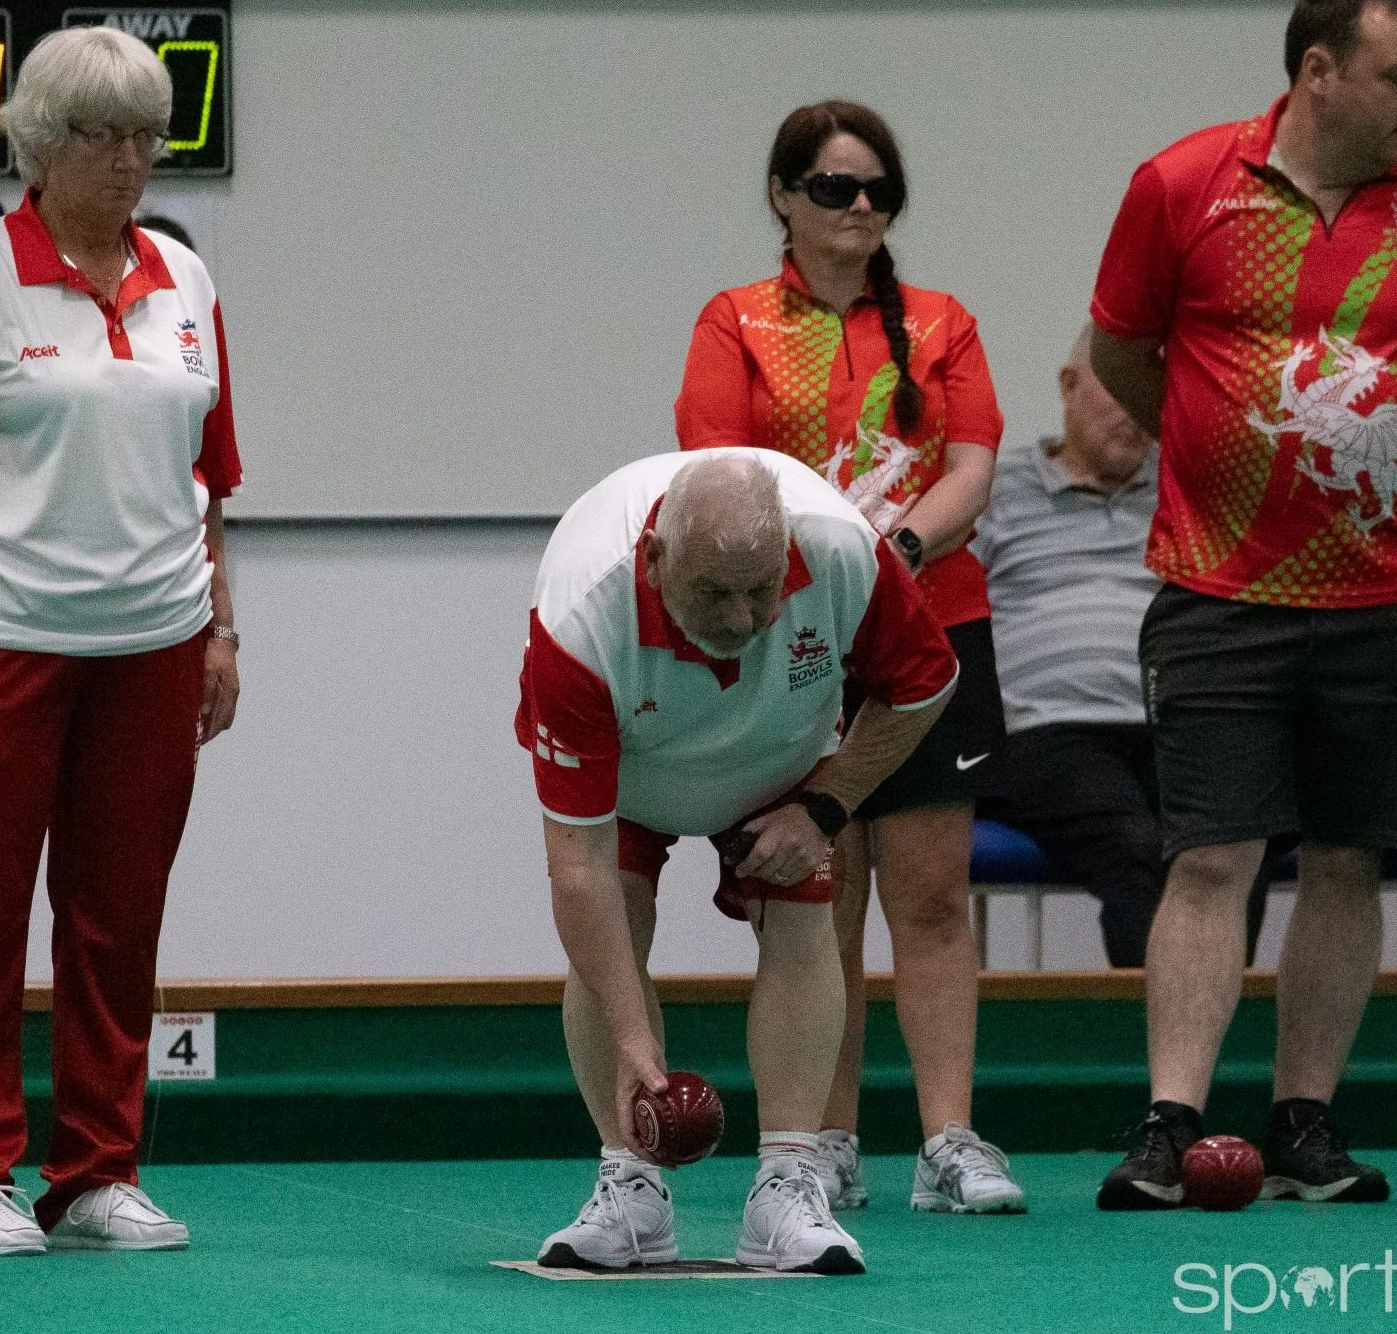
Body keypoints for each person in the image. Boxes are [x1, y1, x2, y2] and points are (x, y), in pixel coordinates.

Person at [1086, 0, 1397, 1210]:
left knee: (1345, 860)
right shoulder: (1181, 186)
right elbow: (1119, 347)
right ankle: (1170, 1123)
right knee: (1209, 854)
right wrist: (1223, 463)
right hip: (1217, 591)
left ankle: (1306, 1123)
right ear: (1317, 71)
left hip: (1388, 594)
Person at [0, 26, 243, 1255]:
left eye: (148, 133)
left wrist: (223, 627)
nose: (132, 158)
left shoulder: (187, 281)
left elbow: (210, 476)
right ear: (39, 141)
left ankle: (96, 1171)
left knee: (116, 915)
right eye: (103, 134)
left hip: (157, 640)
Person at [675, 100, 1023, 1217]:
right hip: (792, 637)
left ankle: (950, 1139)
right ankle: (821, 1140)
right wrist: (827, 579)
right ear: (783, 197)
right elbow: (715, 467)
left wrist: (897, 552)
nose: (860, 206)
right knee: (817, 888)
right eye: (834, 187)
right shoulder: (734, 320)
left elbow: (970, 465)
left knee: (930, 897)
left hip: (929, 626)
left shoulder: (941, 321)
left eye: (879, 188)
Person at [519, 449, 956, 1272]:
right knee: (616, 909)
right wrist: (633, 1039)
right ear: (654, 561)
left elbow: (924, 686)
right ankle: (629, 1185)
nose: (738, 618)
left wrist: (825, 807)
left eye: (760, 590)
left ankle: (788, 1187)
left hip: (782, 755)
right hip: (634, 766)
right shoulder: (580, 617)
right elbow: (575, 870)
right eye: (712, 593)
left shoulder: (839, 552)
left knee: (802, 914)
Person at [976, 337, 1280, 969]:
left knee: (1228, 845)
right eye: (1122, 390)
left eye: (1156, 394)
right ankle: (1162, 1062)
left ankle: (1208, 1053)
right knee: (1136, 846)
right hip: (1048, 729)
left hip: (1178, 723)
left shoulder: (1191, 492)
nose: (1140, 412)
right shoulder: (993, 493)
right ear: (1068, 386)